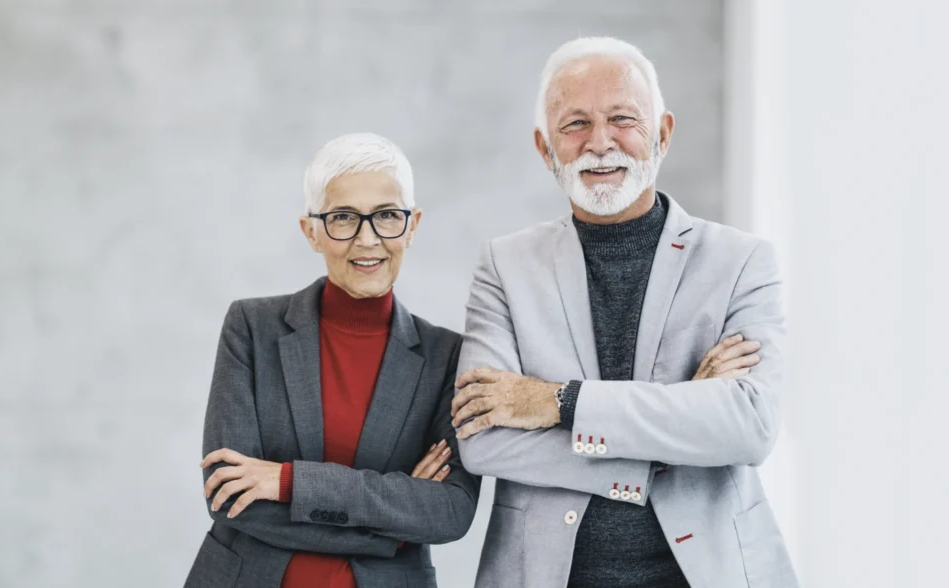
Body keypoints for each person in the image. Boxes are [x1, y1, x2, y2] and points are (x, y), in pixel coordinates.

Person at [452, 37, 798, 587]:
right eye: (575, 125)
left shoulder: (741, 261)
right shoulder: (505, 265)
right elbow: (482, 438)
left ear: (661, 134)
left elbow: (749, 427)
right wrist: (681, 422)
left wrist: (557, 403)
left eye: (622, 118)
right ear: (545, 148)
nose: (600, 142)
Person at [184, 133, 480, 588]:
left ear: (413, 225)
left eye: (386, 216)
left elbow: (449, 512)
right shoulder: (252, 327)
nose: (367, 239)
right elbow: (227, 493)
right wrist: (391, 529)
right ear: (312, 232)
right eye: (343, 217)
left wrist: (287, 482)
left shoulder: (448, 357)